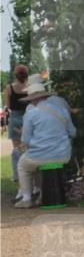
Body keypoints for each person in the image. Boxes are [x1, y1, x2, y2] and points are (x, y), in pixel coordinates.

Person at [14, 82, 76, 209]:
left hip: (40, 155)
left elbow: (25, 140)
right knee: (39, 165)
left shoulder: (30, 114)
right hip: (63, 155)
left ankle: (27, 199)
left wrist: (35, 144)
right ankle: (43, 195)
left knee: (23, 166)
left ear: (34, 99)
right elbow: (73, 132)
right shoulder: (62, 110)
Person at [5, 65, 29, 197]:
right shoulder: (30, 88)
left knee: (17, 152)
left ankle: (21, 186)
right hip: (28, 118)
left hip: (15, 119)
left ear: (15, 75)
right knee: (28, 149)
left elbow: (8, 106)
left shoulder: (9, 88)